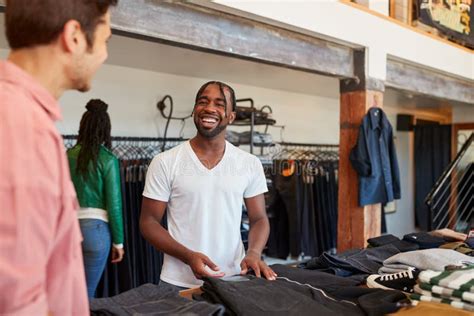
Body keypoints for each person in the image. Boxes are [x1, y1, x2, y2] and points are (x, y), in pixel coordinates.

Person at [0, 0, 117, 314]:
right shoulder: (21, 126)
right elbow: (15, 299)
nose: (105, 54)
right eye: (105, 40)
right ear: (74, 36)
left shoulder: (27, 119)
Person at [140, 81, 277, 290]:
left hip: (234, 278)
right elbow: (149, 222)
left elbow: (259, 218)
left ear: (231, 116)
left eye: (220, 104)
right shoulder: (165, 161)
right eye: (203, 101)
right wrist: (188, 256)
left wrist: (254, 253)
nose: (210, 108)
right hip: (178, 283)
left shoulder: (249, 163)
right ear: (195, 110)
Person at [67, 99, 125, 298]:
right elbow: (114, 205)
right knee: (86, 296)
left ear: (83, 126)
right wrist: (119, 243)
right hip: (96, 233)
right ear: (105, 128)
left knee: (68, 295)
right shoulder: (108, 159)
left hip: (68, 230)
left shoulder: (67, 155)